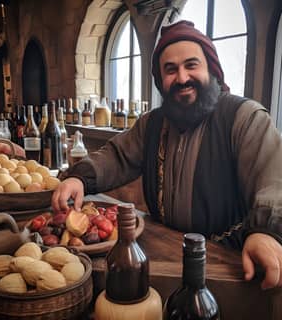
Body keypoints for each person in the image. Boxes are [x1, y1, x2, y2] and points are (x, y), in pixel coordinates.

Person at [52, 20, 282, 290]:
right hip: (164, 252)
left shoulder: (245, 118)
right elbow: (117, 157)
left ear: (212, 69)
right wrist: (80, 178)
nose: (182, 78)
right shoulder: (152, 124)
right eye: (170, 70)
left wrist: (266, 234)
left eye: (191, 65)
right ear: (161, 80)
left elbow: (273, 184)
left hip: (230, 261)